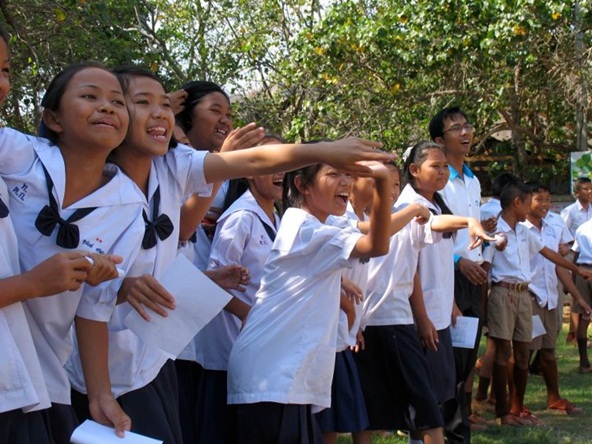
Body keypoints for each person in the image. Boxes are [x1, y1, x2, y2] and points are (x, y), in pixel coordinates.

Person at [0, 62, 145, 442]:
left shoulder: (130, 207)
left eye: (118, 102)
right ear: (53, 118)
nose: (108, 107)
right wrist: (36, 282)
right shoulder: (16, 154)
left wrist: (101, 395)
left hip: (45, 373)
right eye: (89, 96)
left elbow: (94, 307)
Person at [354, 141, 492, 444]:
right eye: (380, 183)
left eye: (393, 184)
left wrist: (469, 220)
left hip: (398, 321)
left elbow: (433, 226)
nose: (389, 191)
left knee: (426, 408)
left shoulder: (407, 215)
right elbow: (377, 235)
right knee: (367, 409)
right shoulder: (353, 223)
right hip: (367, 326)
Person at [195, 134, 285, 444]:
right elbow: (213, 281)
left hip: (261, 347)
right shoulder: (240, 217)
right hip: (230, 349)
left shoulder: (277, 217)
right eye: (270, 163)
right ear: (248, 169)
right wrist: (250, 315)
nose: (280, 172)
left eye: (284, 163)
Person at [483, 182, 592, 426]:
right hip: (504, 293)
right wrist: (484, 304)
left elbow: (549, 254)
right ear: (518, 203)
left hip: (524, 295)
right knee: (504, 354)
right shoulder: (493, 230)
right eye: (531, 200)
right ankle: (502, 411)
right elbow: (486, 267)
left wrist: (577, 269)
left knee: (523, 354)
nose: (541, 205)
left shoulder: (524, 232)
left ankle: (517, 407)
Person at [430, 106, 495, 442]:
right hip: (450, 276)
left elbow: (467, 232)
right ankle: (438, 428)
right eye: (457, 128)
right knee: (447, 359)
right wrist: (459, 262)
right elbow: (434, 234)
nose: (466, 133)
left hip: (475, 277)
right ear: (439, 140)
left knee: (467, 357)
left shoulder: (472, 180)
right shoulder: (437, 182)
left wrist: (484, 233)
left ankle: (458, 426)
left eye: (467, 126)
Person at [523, 181, 589, 414]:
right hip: (528, 295)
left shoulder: (554, 222)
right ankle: (511, 403)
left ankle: (555, 398)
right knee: (523, 352)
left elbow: (558, 266)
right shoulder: (519, 227)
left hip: (551, 295)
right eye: (539, 199)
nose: (545, 204)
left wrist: (578, 297)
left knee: (548, 351)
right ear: (524, 200)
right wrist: (579, 271)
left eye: (548, 199)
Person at [561, 177, 592, 345]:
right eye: (585, 189)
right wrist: (568, 245)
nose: (589, 192)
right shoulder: (569, 212)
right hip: (573, 254)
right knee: (576, 295)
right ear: (577, 193)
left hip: (585, 250)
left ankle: (578, 334)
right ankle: (573, 333)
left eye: (591, 189)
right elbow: (562, 234)